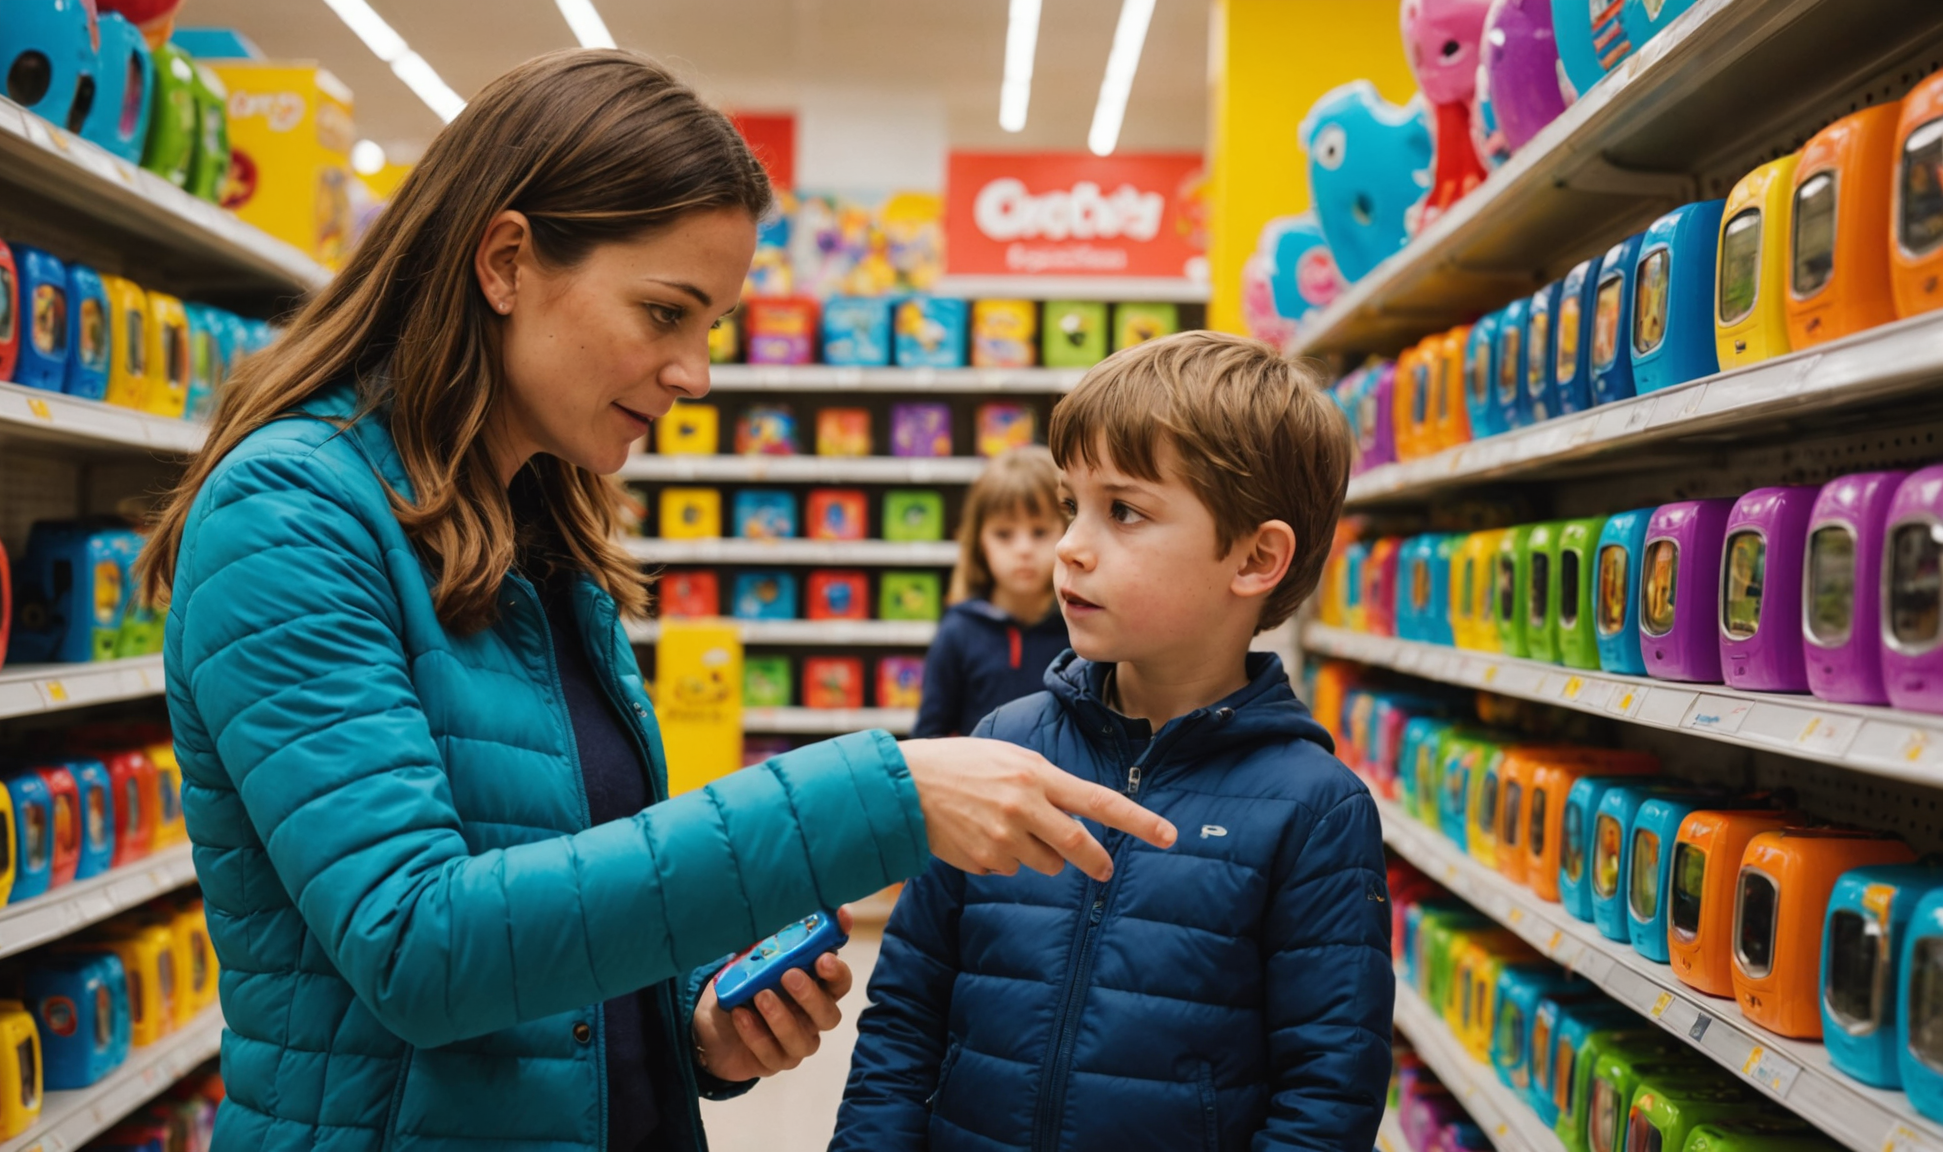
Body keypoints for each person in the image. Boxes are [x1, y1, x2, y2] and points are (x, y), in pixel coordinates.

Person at [139, 50, 1175, 1152]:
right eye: (663, 312)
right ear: (505, 261)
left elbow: (563, 883)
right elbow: (417, 947)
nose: (696, 373)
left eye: (713, 327)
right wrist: (882, 793)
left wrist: (689, 1020)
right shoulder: (288, 518)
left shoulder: (543, 539)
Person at [832, 332, 1394, 1152]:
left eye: (1123, 511)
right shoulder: (1002, 749)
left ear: (1255, 558)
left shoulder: (1314, 808)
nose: (1069, 545)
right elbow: (907, 1013)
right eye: (1074, 505)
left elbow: (1328, 1090)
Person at [911, 445, 1071, 738]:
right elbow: (928, 739)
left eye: (1039, 532)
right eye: (1004, 534)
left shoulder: (1082, 628)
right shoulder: (959, 632)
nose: (1023, 549)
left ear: (1068, 533)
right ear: (979, 542)